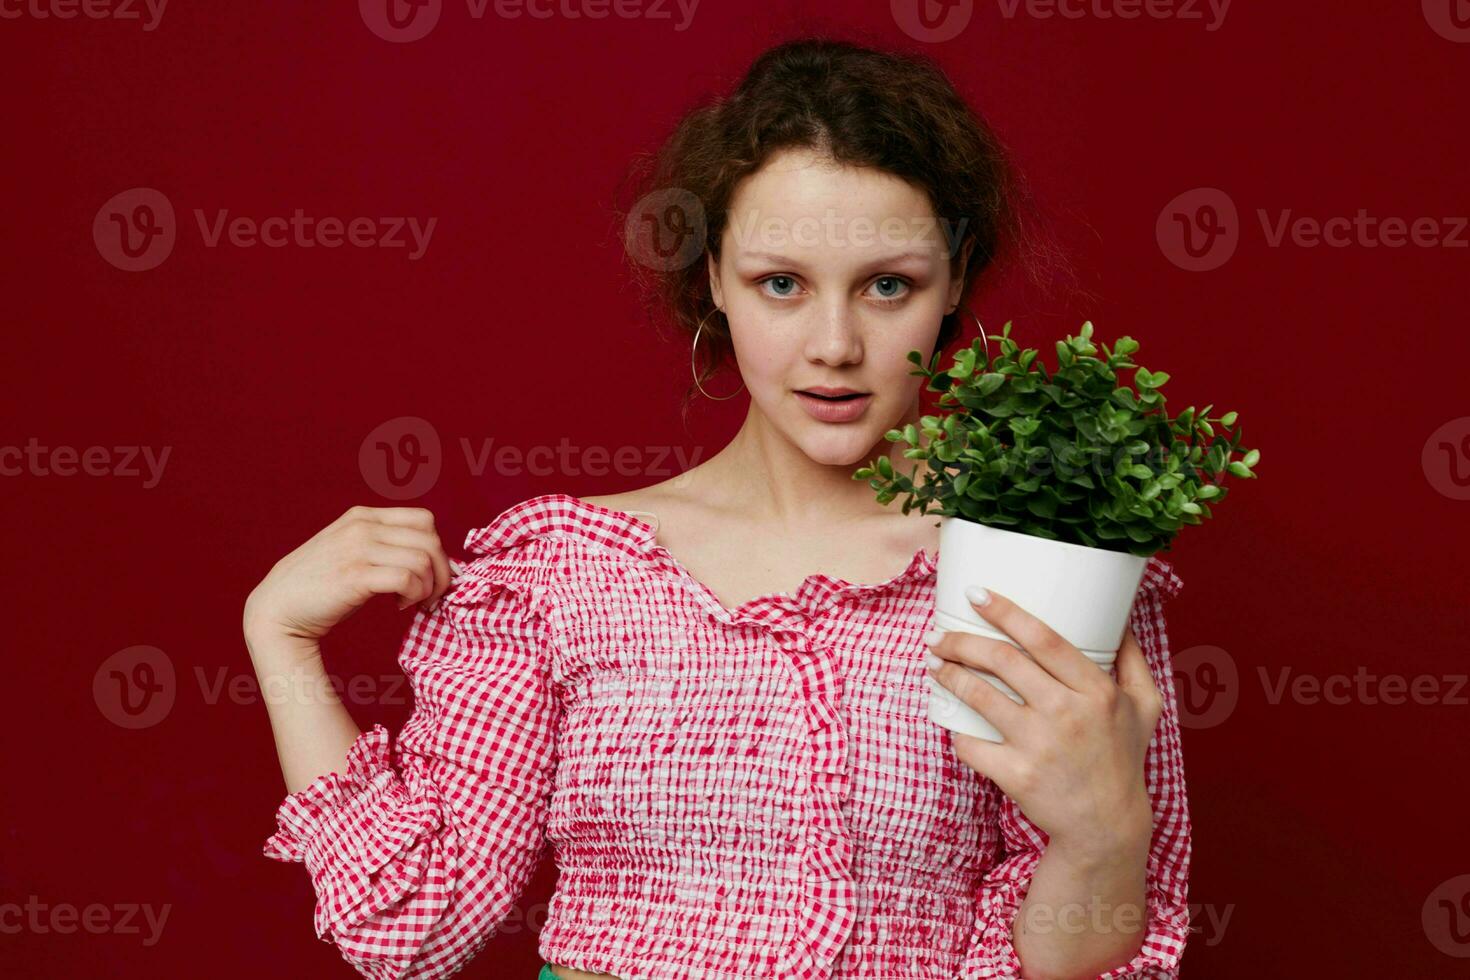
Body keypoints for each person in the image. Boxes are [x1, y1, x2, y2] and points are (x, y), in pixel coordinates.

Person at [244, 36, 1191, 980]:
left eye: (887, 285)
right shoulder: (564, 573)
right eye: (781, 283)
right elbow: (410, 927)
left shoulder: (1041, 568)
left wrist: (1104, 836)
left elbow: (1087, 958)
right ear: (713, 282)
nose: (835, 344)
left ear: (952, 286)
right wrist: (279, 638)